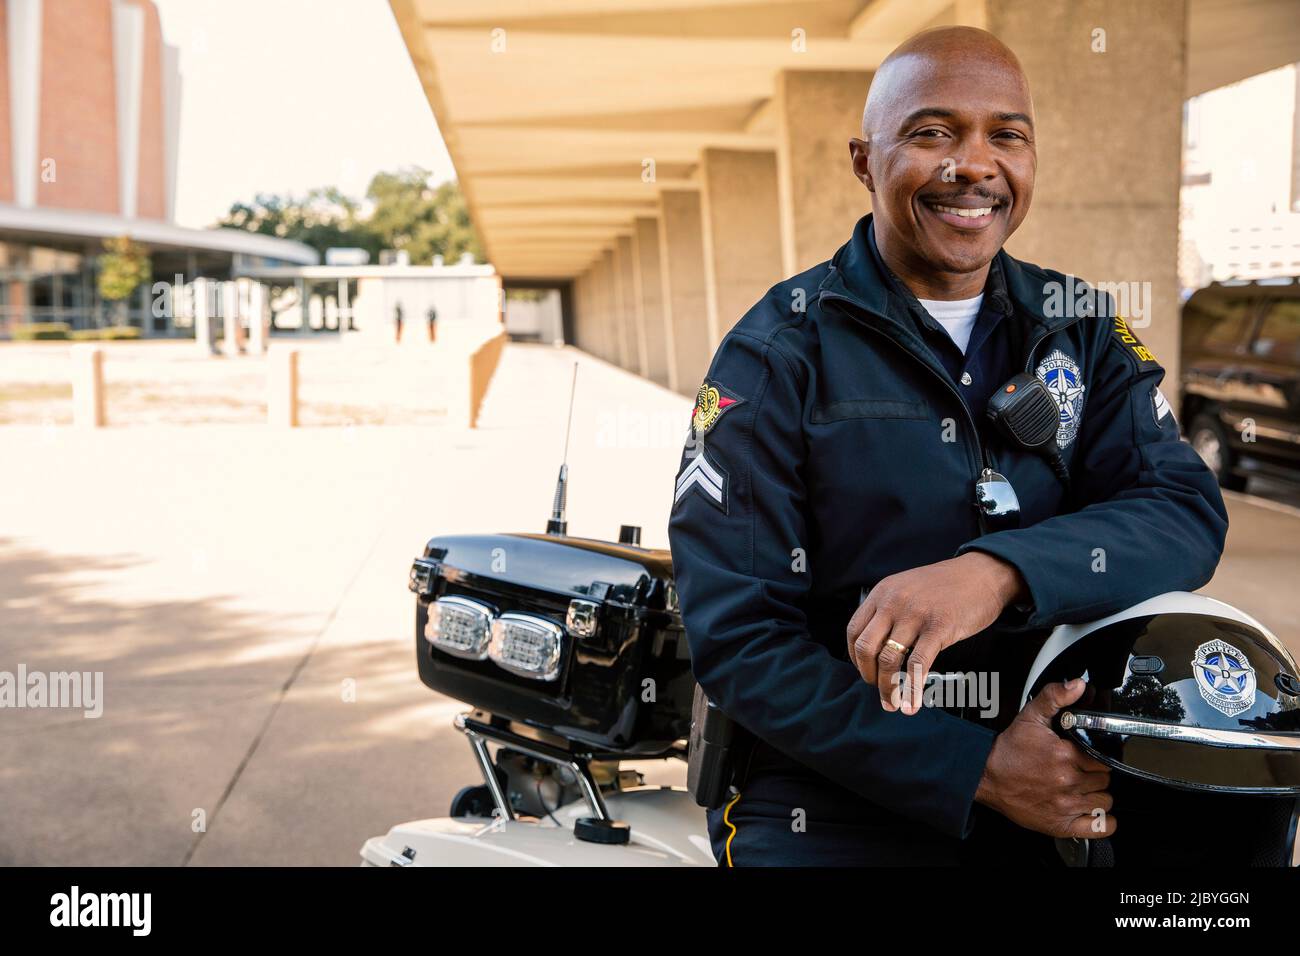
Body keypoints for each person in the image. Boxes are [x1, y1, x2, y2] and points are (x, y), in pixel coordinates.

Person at [666, 26, 1228, 866]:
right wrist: (974, 769)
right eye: (933, 134)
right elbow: (741, 638)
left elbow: (1182, 509)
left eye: (1007, 135)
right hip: (831, 795)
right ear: (865, 159)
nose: (974, 165)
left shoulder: (1082, 326)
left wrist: (1001, 572)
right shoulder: (776, 352)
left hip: (1061, 764)